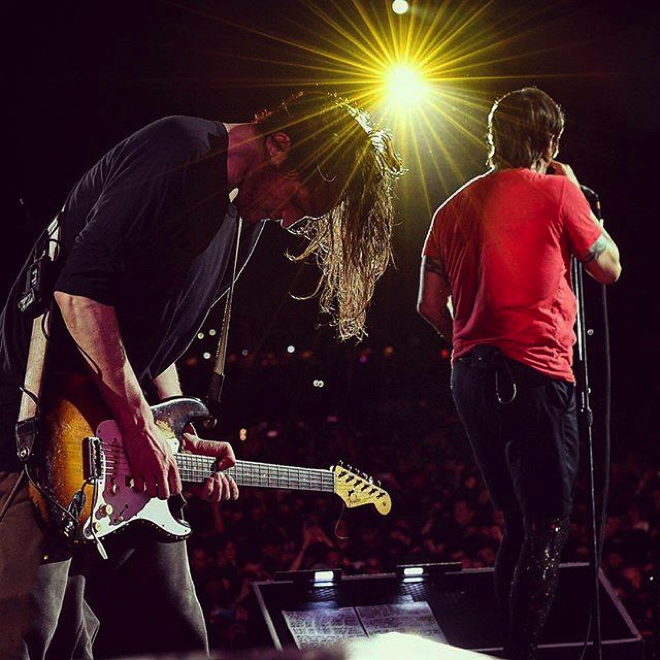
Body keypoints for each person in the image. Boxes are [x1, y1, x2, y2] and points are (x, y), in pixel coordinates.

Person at [0, 91, 402, 658]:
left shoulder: (243, 219)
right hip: (42, 426)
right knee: (33, 635)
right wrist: (141, 427)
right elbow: (80, 295)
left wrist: (173, 428)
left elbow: (153, 339)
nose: (289, 219)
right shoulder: (177, 150)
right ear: (279, 145)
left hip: (120, 435)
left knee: (175, 633)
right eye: (297, 200)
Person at [417, 87, 620, 659]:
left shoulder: (450, 207)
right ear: (549, 140)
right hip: (535, 371)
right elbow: (608, 267)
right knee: (547, 525)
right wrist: (577, 194)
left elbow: (428, 306)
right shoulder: (559, 192)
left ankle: (504, 649)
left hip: (469, 376)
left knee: (516, 520)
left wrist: (471, 338)